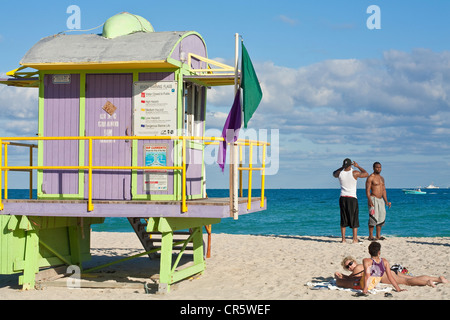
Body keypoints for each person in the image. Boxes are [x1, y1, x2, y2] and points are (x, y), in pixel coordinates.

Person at [335, 243, 448, 291]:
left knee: (408, 281)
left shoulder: (359, 266)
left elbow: (354, 278)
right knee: (409, 279)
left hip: (387, 276)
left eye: (350, 264)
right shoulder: (379, 261)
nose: (350, 267)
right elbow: (353, 277)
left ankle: (428, 282)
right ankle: (438, 279)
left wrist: (341, 277)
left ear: (354, 261)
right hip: (390, 273)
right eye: (347, 267)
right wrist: (344, 276)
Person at [333, 159, 368, 243]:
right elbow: (366, 174)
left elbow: (334, 173)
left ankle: (343, 239)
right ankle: (355, 239)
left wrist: (342, 167)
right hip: (352, 198)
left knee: (343, 217)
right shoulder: (354, 172)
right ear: (350, 165)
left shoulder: (339, 173)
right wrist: (358, 166)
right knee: (354, 218)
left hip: (342, 197)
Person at [365, 162, 391, 240]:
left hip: (381, 200)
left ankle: (378, 236)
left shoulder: (382, 178)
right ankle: (370, 236)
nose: (379, 169)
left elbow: (383, 190)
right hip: (373, 199)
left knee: (381, 217)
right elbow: (367, 190)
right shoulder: (370, 177)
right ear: (373, 168)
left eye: (380, 167)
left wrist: (386, 201)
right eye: (377, 167)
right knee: (373, 218)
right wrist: (369, 200)